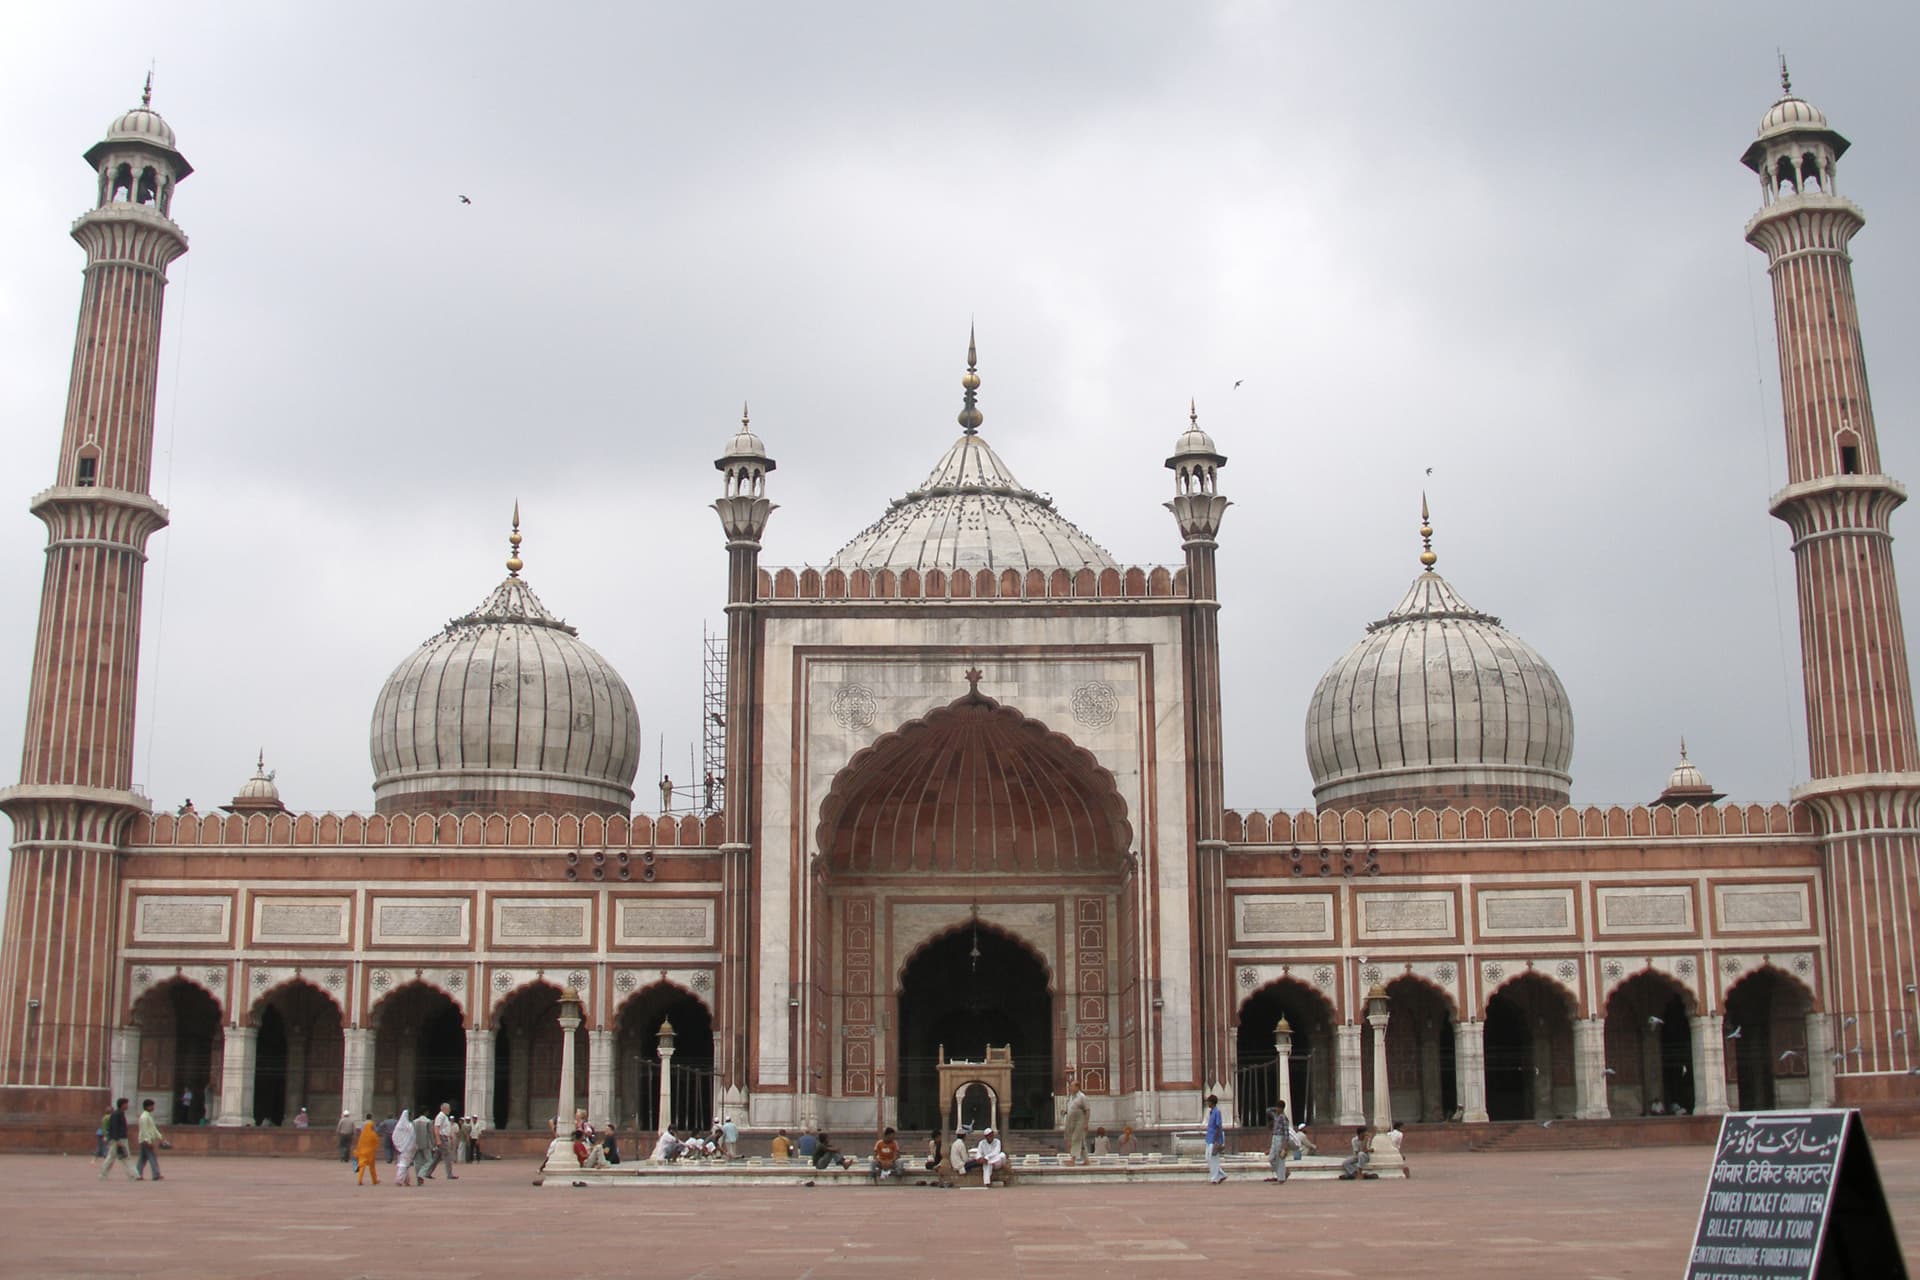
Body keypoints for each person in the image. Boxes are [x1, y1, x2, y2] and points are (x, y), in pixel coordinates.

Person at [99, 1097, 136, 1181]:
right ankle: (133, 1175)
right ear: (122, 1105)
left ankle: (103, 1174)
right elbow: (114, 1128)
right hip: (119, 1139)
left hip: (119, 1138)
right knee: (125, 1157)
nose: (127, 1105)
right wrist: (117, 1140)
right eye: (126, 1104)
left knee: (113, 1157)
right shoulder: (117, 1114)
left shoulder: (120, 1113)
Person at [135, 1098, 165, 1181]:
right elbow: (144, 1130)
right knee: (152, 1157)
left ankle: (137, 1174)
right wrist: (148, 1141)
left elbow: (153, 1129)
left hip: (146, 1140)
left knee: (142, 1158)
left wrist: (160, 1137)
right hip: (145, 1140)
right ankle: (156, 1174)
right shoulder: (144, 1117)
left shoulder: (148, 1116)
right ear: (147, 1107)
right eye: (152, 1106)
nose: (153, 1108)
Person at [427, 1103, 459, 1179]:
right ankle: (449, 1174)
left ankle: (427, 1172)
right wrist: (438, 1140)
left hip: (443, 1137)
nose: (450, 1110)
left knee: (437, 1157)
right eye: (449, 1108)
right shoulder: (440, 1116)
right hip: (442, 1138)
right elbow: (436, 1127)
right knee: (447, 1156)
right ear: (444, 1109)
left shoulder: (444, 1117)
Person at [1265, 1103, 1293, 1183]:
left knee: (1280, 1159)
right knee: (1271, 1158)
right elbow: (1268, 1110)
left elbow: (1286, 1132)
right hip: (1274, 1137)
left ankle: (1281, 1178)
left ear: (1282, 1108)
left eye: (1278, 1108)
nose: (1277, 1109)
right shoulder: (1276, 1116)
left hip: (1280, 1138)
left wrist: (1285, 1145)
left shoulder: (1283, 1118)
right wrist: (1275, 1108)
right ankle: (1283, 1173)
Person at [1064, 1085, 1091, 1165]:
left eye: (1072, 1086)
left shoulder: (1082, 1097)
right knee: (1081, 1140)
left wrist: (1086, 1123)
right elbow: (1071, 1108)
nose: (1070, 1088)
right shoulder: (1071, 1097)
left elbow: (1087, 1110)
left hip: (1079, 1121)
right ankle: (1086, 1160)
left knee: (1075, 1139)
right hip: (1071, 1122)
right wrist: (1065, 1112)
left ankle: (1073, 1159)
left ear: (1077, 1087)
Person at [1204, 1094, 1226, 1185]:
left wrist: (1217, 1140)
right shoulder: (1212, 1112)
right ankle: (1221, 1174)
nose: (1207, 1103)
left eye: (1208, 1101)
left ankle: (1214, 1178)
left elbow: (1218, 1126)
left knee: (1214, 1159)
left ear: (1212, 1103)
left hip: (1214, 1138)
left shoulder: (1217, 1112)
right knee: (1208, 1158)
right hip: (1209, 1138)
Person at [391, 1108, 417, 1186]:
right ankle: (399, 1179)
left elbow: (394, 1136)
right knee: (404, 1164)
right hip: (409, 1147)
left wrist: (398, 1145)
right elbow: (413, 1136)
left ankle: (406, 1179)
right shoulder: (410, 1126)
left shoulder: (399, 1125)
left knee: (405, 1164)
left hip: (402, 1147)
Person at [353, 1114, 380, 1185]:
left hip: (362, 1152)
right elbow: (376, 1142)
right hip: (370, 1152)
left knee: (362, 1166)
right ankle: (374, 1180)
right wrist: (375, 1148)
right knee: (372, 1167)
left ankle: (359, 1180)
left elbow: (359, 1144)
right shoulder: (373, 1134)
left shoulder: (362, 1136)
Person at [411, 1109, 434, 1182]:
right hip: (426, 1143)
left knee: (417, 1161)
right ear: (426, 1113)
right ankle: (421, 1174)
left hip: (416, 1143)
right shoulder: (428, 1121)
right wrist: (433, 1144)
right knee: (429, 1160)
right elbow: (430, 1133)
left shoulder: (414, 1122)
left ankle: (418, 1177)